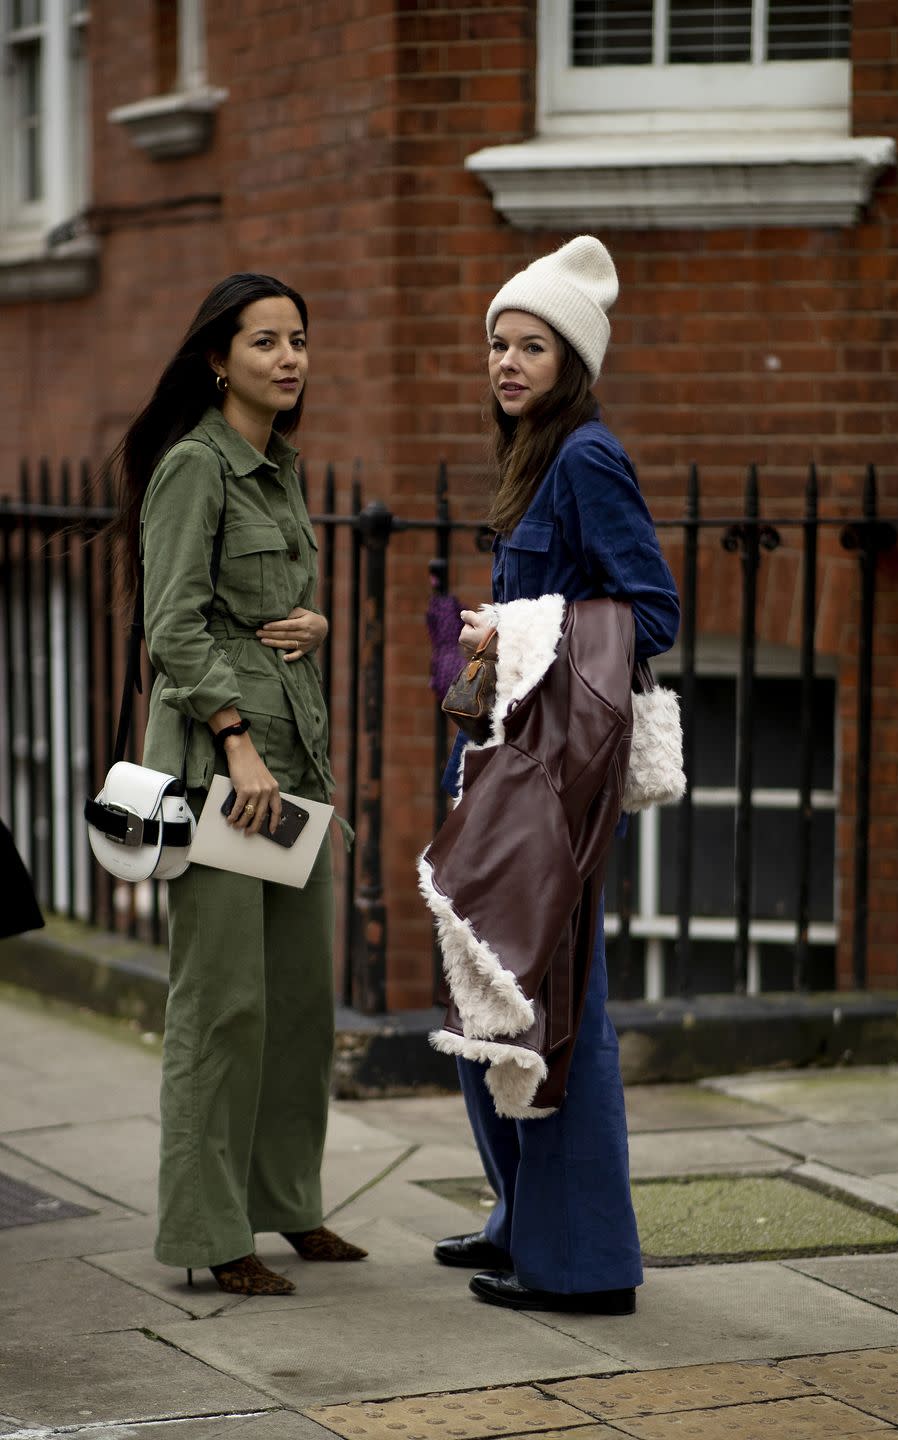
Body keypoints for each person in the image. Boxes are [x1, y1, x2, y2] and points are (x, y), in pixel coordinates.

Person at [428, 237, 680, 1315]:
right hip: (502, 760)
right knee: (492, 989)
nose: (508, 360)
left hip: (553, 778)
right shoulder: (534, 457)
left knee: (558, 1003)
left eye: (532, 344)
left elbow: (654, 610)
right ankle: (520, 1222)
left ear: (571, 361)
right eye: (498, 342)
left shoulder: (586, 457)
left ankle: (581, 1267)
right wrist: (477, 641)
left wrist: (521, 624)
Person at [112, 273, 364, 1296]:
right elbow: (171, 625)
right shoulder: (193, 468)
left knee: (300, 1003)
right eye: (266, 342)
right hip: (227, 775)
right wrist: (236, 740)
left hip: (293, 769)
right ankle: (215, 1234)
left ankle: (288, 1205)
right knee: (220, 1006)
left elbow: (269, 612)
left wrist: (320, 624)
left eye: (298, 339)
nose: (290, 357)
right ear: (221, 359)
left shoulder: (278, 467)